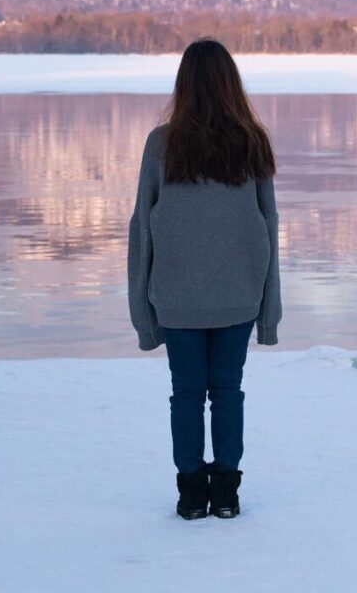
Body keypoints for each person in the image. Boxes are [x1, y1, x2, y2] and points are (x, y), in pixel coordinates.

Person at [127, 37, 282, 520]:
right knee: (227, 391)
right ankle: (228, 494)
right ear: (231, 84)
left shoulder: (162, 144)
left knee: (187, 394)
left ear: (184, 85)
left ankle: (193, 494)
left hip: (177, 298)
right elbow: (269, 227)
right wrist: (269, 313)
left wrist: (143, 316)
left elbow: (142, 229)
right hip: (239, 295)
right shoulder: (251, 141)